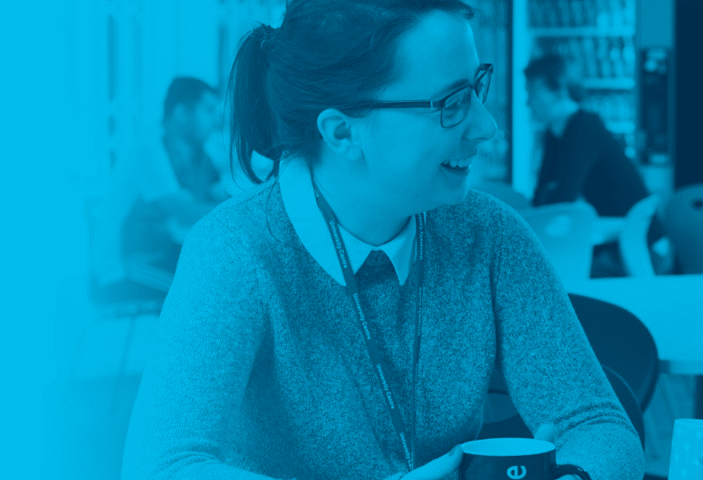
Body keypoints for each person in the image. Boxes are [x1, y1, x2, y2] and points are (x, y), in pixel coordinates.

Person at [121, 1, 644, 480]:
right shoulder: (237, 250)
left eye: (477, 88)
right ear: (342, 132)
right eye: (452, 102)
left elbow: (596, 422)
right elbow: (160, 465)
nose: (486, 127)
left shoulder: (489, 233)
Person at [89, 77, 227, 297]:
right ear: (182, 113)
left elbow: (217, 195)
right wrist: (238, 209)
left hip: (164, 253)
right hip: (126, 265)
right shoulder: (148, 148)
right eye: (209, 110)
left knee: (225, 280)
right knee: (203, 295)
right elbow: (184, 213)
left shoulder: (199, 155)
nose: (217, 120)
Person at [525, 54, 649, 217]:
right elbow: (543, 189)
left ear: (559, 91)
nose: (528, 102)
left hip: (633, 232)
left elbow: (564, 196)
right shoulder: (554, 131)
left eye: (533, 93)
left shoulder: (583, 127)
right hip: (610, 227)